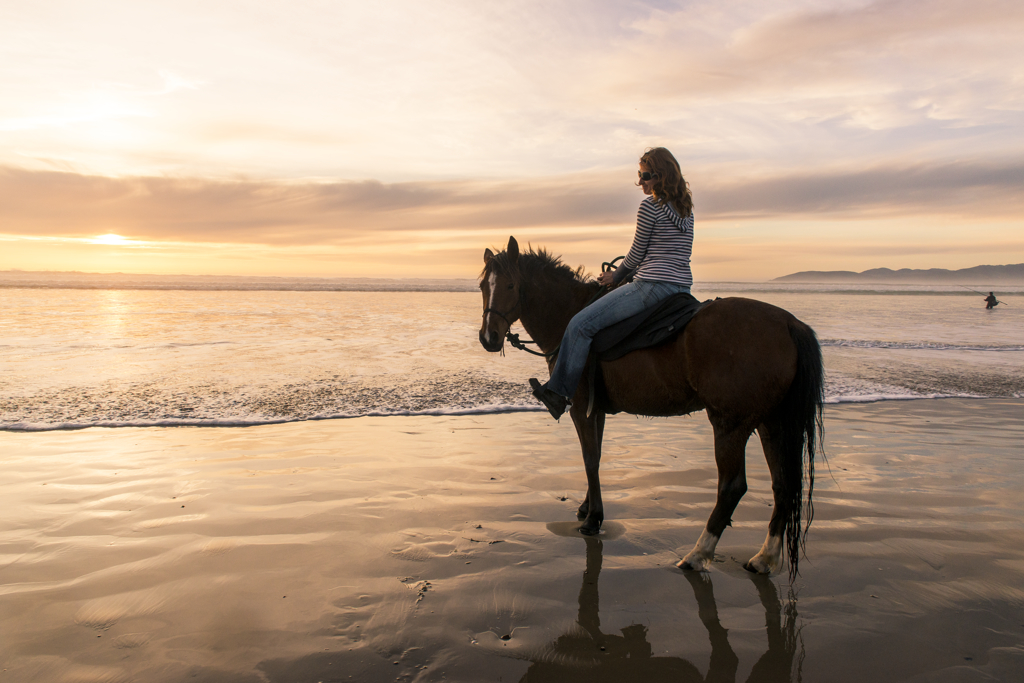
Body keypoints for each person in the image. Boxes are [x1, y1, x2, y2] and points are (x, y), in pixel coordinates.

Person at [530, 147, 694, 420]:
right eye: (639, 175)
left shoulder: (649, 207)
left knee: (580, 325)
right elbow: (672, 254)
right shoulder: (686, 210)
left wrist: (616, 276)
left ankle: (559, 394)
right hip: (681, 289)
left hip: (651, 287)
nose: (641, 182)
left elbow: (637, 254)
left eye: (646, 176)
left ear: (661, 175)